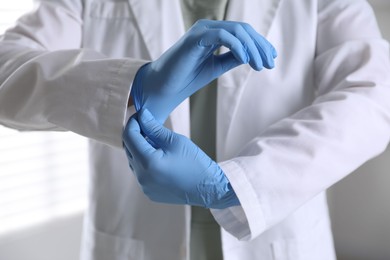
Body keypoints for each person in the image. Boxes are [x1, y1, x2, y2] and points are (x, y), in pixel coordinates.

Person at [1, 0, 390, 260]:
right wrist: (132, 85)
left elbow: (375, 93)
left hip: (275, 236)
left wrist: (234, 186)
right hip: (133, 243)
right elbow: (6, 68)